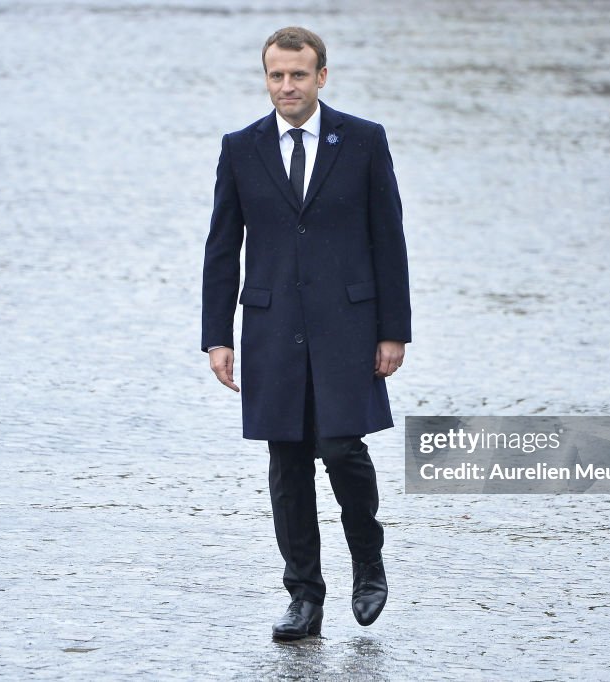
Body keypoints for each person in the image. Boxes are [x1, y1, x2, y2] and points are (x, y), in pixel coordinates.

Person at [201, 26, 411, 641]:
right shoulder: (241, 147)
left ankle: (368, 563)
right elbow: (222, 246)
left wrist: (393, 331)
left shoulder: (364, 141)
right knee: (287, 462)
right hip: (270, 327)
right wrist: (218, 336)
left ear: (321, 77)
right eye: (276, 75)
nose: (286, 86)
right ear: (265, 78)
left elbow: (388, 238)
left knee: (343, 449)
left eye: (298, 75)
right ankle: (304, 599)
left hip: (349, 325)